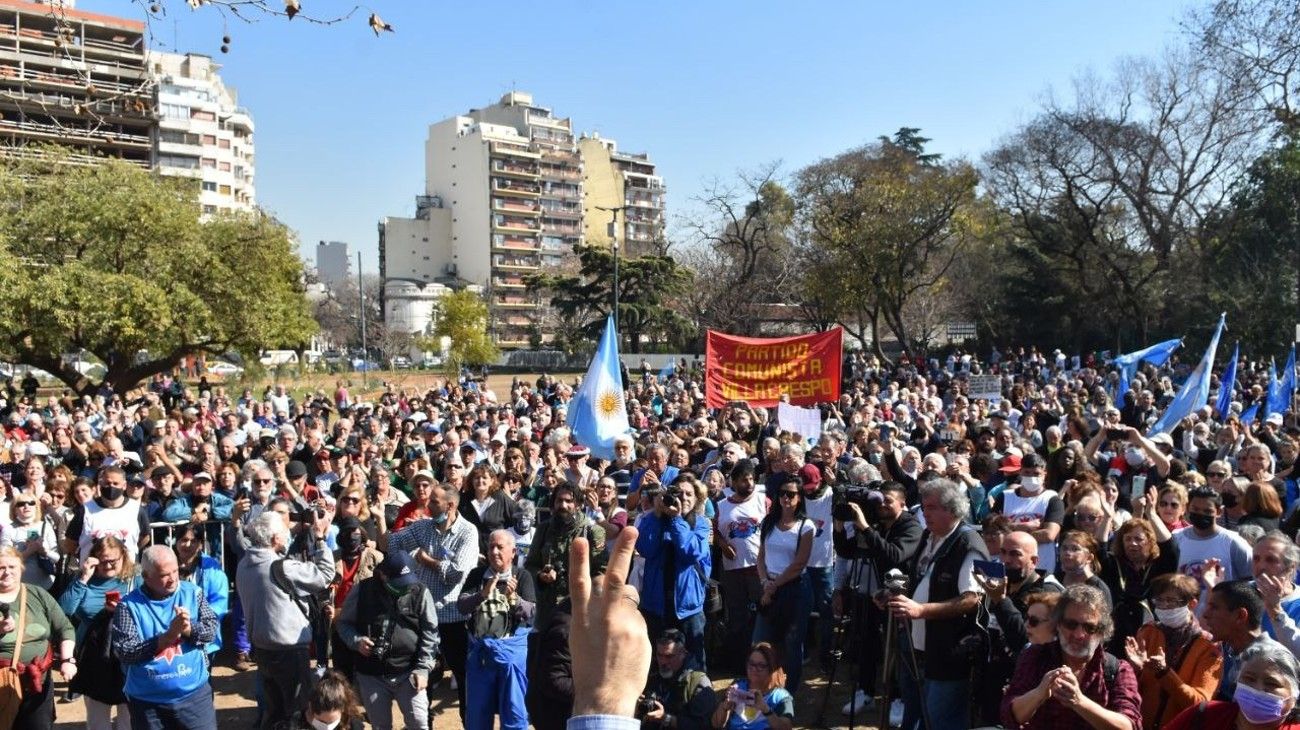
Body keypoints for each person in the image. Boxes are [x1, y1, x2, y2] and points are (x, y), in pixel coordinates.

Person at [888, 478, 987, 730]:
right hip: (916, 646)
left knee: (939, 721)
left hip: (947, 651)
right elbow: (921, 577)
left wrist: (921, 610)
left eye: (932, 507)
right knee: (913, 715)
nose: (925, 513)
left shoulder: (969, 543)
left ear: (952, 509)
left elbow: (972, 599)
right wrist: (895, 594)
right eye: (923, 507)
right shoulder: (929, 536)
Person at [386, 481, 480, 718]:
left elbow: (457, 573)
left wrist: (425, 559)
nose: (428, 504)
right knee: (421, 676)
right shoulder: (424, 527)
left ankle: (468, 721)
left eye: (434, 501)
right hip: (424, 617)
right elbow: (394, 543)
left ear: (449, 506)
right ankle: (422, 723)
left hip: (455, 617)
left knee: (463, 676)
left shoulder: (467, 532)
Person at [235, 510, 336, 730]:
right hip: (289, 651)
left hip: (262, 650)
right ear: (274, 539)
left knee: (274, 710)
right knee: (298, 712)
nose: (288, 534)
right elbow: (325, 575)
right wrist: (320, 538)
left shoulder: (244, 564)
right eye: (284, 532)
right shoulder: (280, 567)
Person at [832, 479, 922, 716]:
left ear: (903, 504)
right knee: (866, 642)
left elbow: (895, 555)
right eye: (880, 500)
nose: (882, 505)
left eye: (888, 501)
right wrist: (840, 525)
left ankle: (898, 699)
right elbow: (847, 551)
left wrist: (865, 527)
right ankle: (866, 692)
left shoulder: (911, 527)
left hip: (902, 594)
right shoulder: (877, 524)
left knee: (897, 650)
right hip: (873, 592)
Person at [1001, 584, 1143, 730]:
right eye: (1071, 624)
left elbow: (1129, 725)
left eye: (1089, 628)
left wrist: (1079, 702)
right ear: (1058, 625)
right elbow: (1010, 715)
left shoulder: (1117, 670)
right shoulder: (1035, 656)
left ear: (1101, 632)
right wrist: (1038, 693)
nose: (1079, 635)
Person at [110, 545, 219, 730]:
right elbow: (125, 652)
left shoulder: (193, 593)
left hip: (194, 698)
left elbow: (211, 631)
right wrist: (166, 638)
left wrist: (188, 629)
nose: (172, 579)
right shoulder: (128, 606)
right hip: (148, 704)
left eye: (175, 571)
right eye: (164, 575)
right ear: (145, 576)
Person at [336, 549, 438, 730]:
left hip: (409, 672)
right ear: (383, 575)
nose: (404, 588)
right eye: (399, 583)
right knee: (380, 725)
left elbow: (430, 633)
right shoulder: (362, 590)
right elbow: (343, 624)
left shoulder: (420, 591)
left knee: (420, 722)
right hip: (372, 674)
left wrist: (423, 668)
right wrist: (356, 640)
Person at [458, 529, 536, 729]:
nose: (494, 552)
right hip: (481, 658)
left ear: (513, 551)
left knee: (514, 713)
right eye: (491, 546)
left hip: (511, 658)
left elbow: (531, 615)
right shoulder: (477, 575)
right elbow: (462, 606)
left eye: (500, 547)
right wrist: (482, 595)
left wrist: (514, 599)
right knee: (477, 714)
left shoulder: (522, 576)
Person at [58, 536, 137, 730]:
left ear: (123, 557)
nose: (108, 566)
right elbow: (64, 610)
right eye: (103, 561)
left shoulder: (135, 578)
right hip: (92, 653)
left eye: (113, 561)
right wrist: (84, 577)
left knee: (129, 717)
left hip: (127, 652)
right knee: (97, 719)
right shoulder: (84, 578)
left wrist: (123, 610)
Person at [1124, 573, 1222, 729]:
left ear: (1192, 604)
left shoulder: (1208, 646)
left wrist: (1165, 673)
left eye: (1170, 601)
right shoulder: (1148, 631)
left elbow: (1200, 703)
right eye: (1159, 600)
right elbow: (1130, 691)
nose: (1163, 607)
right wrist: (1135, 670)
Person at [635, 475, 711, 671]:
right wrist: (657, 515)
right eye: (678, 493)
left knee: (693, 663)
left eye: (688, 494)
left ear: (696, 500)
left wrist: (676, 520)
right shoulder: (653, 519)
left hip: (688, 608)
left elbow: (690, 552)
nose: (683, 498)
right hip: (656, 606)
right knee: (655, 662)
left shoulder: (700, 524)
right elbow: (645, 548)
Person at [0, 546, 76, 729]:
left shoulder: (38, 594)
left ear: (21, 568)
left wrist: (67, 659)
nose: (7, 572)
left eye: (12, 567)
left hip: (38, 684)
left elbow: (64, 628)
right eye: (1, 568)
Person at [752, 477, 812, 696]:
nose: (786, 498)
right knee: (762, 641)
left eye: (792, 494)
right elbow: (761, 556)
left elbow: (799, 563)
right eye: (783, 493)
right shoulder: (769, 521)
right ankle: (762, 688)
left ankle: (788, 694)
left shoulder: (806, 526)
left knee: (792, 644)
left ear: (800, 498)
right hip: (769, 585)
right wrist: (765, 583)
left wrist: (773, 587)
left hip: (795, 590)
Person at [1163, 641, 1300, 730]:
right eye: (1249, 679)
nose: (1257, 689)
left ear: (1294, 696)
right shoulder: (1205, 714)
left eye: (1272, 683)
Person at [526, 482, 605, 631]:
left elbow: (601, 574)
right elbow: (530, 564)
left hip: (578, 611)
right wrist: (541, 576)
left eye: (569, 501)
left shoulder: (593, 532)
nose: (563, 505)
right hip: (546, 611)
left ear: (579, 505)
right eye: (559, 500)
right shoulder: (544, 529)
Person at [715, 460, 768, 672]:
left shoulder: (763, 501)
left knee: (761, 614)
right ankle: (738, 661)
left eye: (751, 479)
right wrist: (723, 545)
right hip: (733, 569)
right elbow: (715, 531)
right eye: (744, 479)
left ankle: (762, 658)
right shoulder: (722, 506)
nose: (749, 483)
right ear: (734, 481)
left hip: (758, 567)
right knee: (737, 615)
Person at [1202, 580, 1280, 702]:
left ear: (1240, 615)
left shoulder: (1271, 660)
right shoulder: (1224, 651)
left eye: (1214, 608)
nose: (1205, 614)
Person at [640, 628, 716, 730]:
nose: (663, 662)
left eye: (669, 656)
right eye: (659, 655)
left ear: (683, 654)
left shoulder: (698, 683)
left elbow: (704, 725)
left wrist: (667, 719)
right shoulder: (652, 676)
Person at [709, 641, 794, 730]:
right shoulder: (739, 687)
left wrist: (766, 709)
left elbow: (787, 727)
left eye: (761, 666)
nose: (754, 669)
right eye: (751, 664)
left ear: (772, 669)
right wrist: (724, 707)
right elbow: (716, 724)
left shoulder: (780, 697)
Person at [173, 523, 229, 655]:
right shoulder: (167, 564)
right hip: (172, 633)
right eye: (184, 540)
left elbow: (219, 603)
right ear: (176, 542)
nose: (188, 545)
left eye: (193, 541)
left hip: (204, 637)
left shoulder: (212, 568)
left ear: (201, 544)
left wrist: (195, 624)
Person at [282, 670, 366, 730]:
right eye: (321, 721)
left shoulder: (354, 724)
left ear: (343, 709)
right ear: (311, 707)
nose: (327, 727)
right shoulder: (295, 722)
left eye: (332, 722)